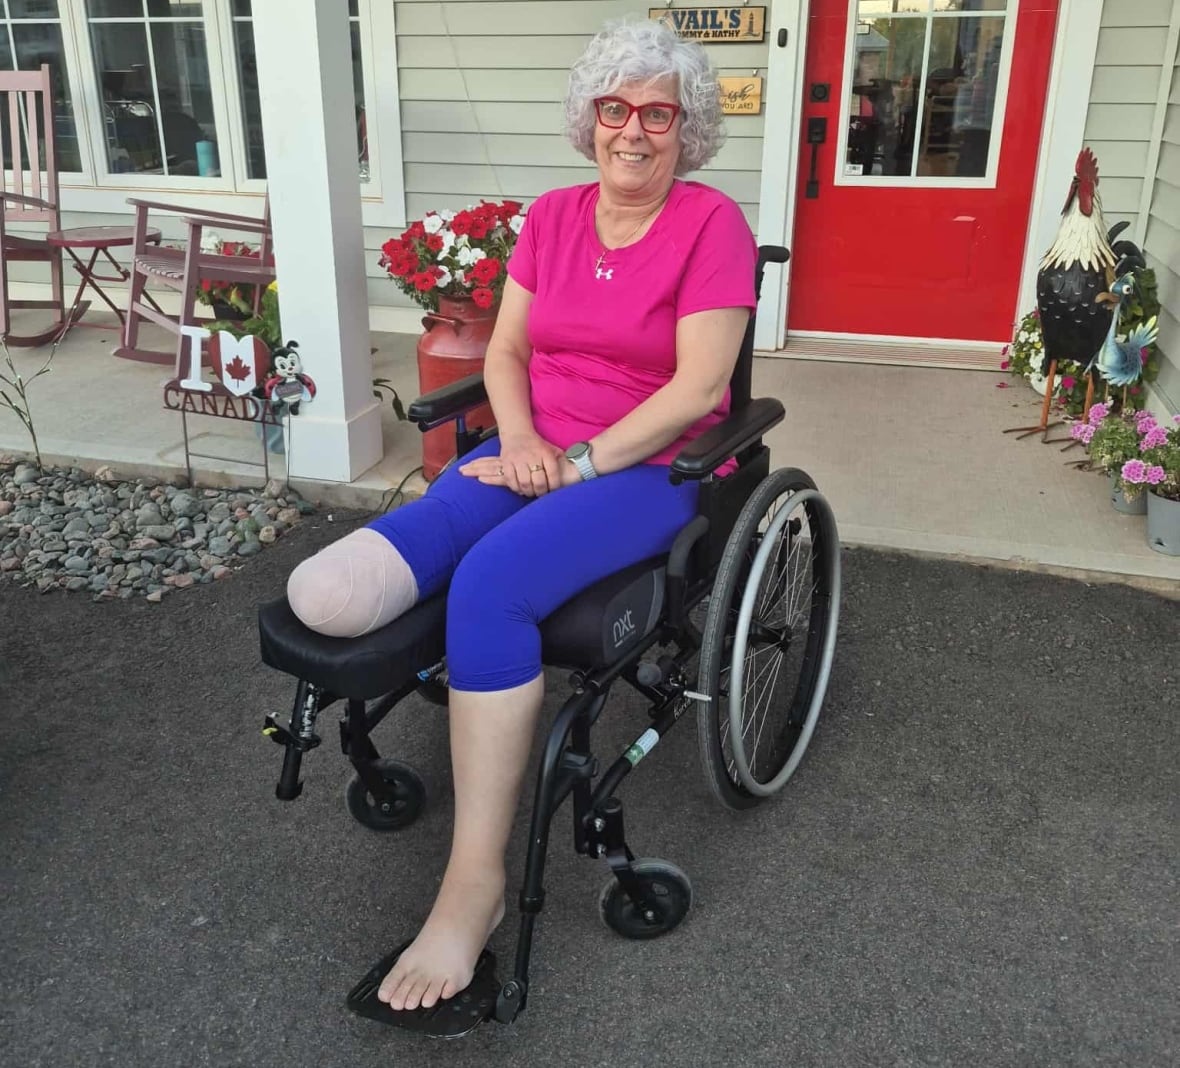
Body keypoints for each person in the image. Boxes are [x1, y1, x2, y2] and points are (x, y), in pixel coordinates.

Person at [285, 17, 758, 1013]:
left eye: (657, 113)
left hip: (641, 467)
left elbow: (697, 390)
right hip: (531, 448)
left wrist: (578, 460)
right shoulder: (549, 215)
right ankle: (438, 645)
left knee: (495, 586)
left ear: (686, 128)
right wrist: (524, 445)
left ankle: (473, 886)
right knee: (326, 594)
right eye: (615, 109)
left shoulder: (711, 226)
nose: (633, 130)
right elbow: (503, 354)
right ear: (589, 119)